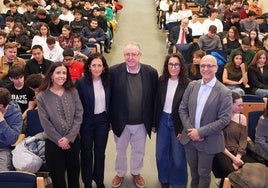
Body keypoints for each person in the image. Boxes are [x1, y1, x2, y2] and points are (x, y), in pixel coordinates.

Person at [179, 55, 232, 188]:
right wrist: (192, 131)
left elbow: (224, 119)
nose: (205, 69)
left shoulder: (224, 92)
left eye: (210, 66)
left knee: (203, 174)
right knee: (193, 172)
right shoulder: (192, 85)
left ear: (216, 68)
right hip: (190, 139)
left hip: (208, 141)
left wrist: (200, 132)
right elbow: (182, 109)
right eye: (203, 65)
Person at [110, 42, 158, 188]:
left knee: (139, 151)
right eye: (127, 54)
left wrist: (154, 122)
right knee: (120, 151)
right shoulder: (113, 72)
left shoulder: (151, 72)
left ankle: (136, 172)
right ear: (124, 55)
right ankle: (120, 173)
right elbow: (109, 98)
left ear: (139, 55)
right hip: (121, 122)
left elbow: (155, 99)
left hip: (141, 123)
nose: (130, 58)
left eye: (134, 54)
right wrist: (110, 120)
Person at [36, 62, 83, 188]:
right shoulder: (42, 96)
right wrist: (59, 140)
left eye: (64, 73)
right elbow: (45, 122)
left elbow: (79, 114)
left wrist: (69, 138)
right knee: (58, 178)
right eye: (58, 72)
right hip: (53, 142)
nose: (61, 76)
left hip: (73, 140)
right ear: (51, 75)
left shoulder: (72, 91)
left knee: (74, 175)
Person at [154, 53, 190, 188]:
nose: (173, 67)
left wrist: (183, 129)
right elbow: (156, 102)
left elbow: (189, 110)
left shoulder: (188, 84)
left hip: (178, 123)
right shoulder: (162, 80)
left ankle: (178, 183)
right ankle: (165, 179)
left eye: (176, 64)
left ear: (181, 66)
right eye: (170, 64)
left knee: (178, 157)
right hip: (163, 120)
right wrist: (154, 122)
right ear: (166, 66)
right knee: (160, 154)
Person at [76, 53, 110, 188]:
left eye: (99, 65)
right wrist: (78, 125)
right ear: (89, 67)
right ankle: (87, 181)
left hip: (102, 121)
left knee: (100, 153)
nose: (96, 68)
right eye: (94, 65)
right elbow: (77, 106)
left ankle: (99, 180)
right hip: (86, 122)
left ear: (104, 67)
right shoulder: (81, 83)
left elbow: (111, 101)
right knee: (86, 153)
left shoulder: (108, 81)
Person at [213, 92, 256, 188]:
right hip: (221, 151)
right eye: (239, 105)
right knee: (231, 172)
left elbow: (243, 140)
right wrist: (234, 159)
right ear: (229, 104)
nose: (242, 108)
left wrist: (238, 157)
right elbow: (218, 142)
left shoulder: (242, 118)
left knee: (252, 168)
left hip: (237, 151)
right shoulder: (219, 118)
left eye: (242, 105)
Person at [0, 88, 22, 171]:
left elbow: (13, 139)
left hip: (4, 149)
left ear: (1, 106)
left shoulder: (15, 114)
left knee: (2, 172)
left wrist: (2, 120)